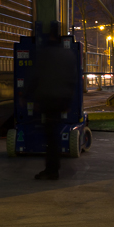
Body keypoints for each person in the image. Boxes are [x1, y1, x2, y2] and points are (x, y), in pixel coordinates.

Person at [30, 22, 79, 180]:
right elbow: (73, 79)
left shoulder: (45, 53)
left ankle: (51, 170)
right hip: (62, 99)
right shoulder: (68, 54)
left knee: (50, 135)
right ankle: (53, 167)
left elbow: (35, 76)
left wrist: (27, 96)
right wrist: (69, 101)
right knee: (54, 133)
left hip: (48, 99)